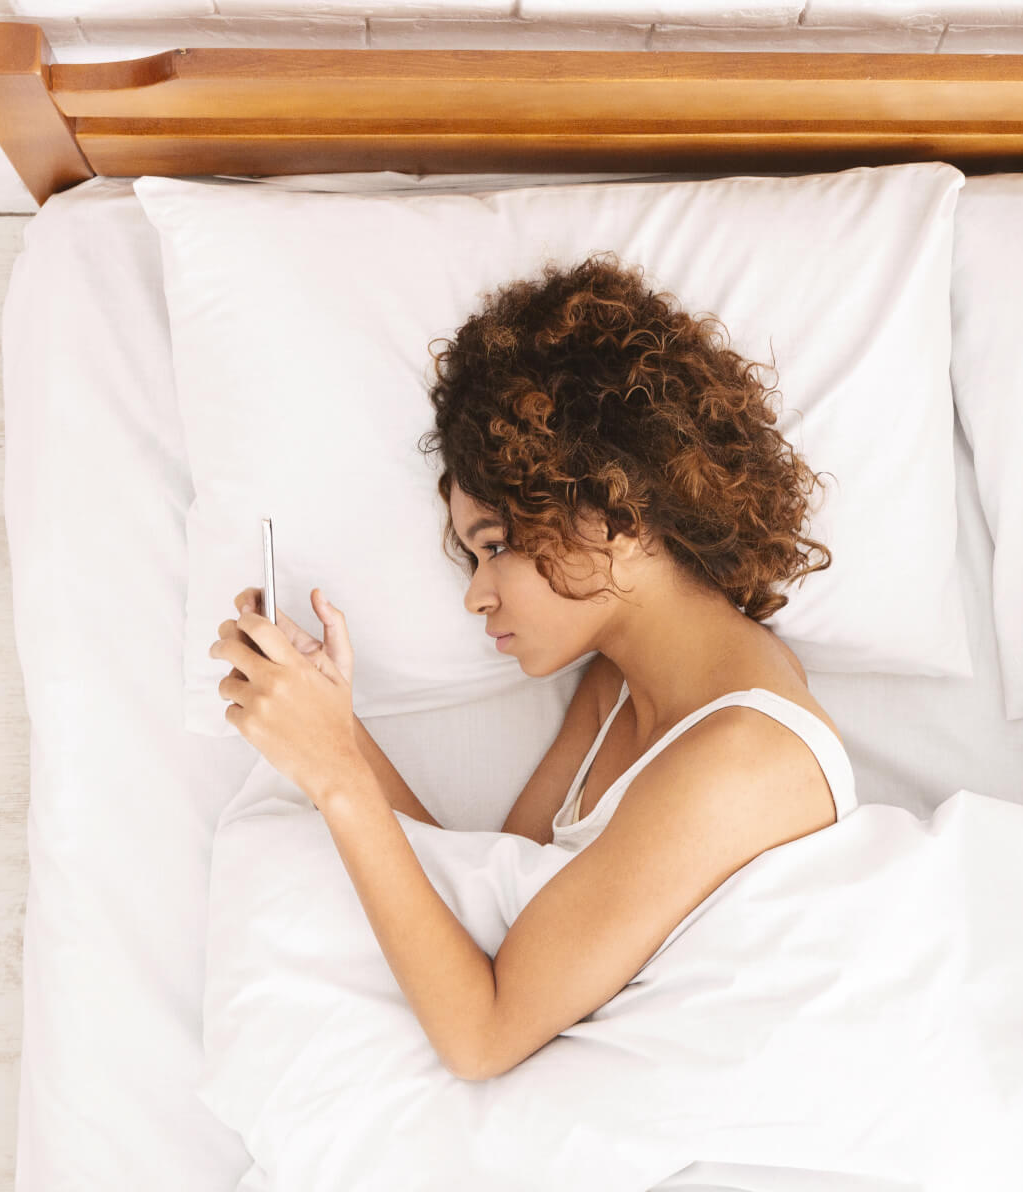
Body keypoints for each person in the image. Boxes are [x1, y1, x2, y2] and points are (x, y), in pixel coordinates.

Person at [206, 254, 855, 1080]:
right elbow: (477, 911)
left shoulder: (742, 757)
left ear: (612, 506)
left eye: (495, 546)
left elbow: (482, 1033)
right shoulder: (618, 685)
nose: (476, 595)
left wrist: (333, 773)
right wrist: (331, 719)